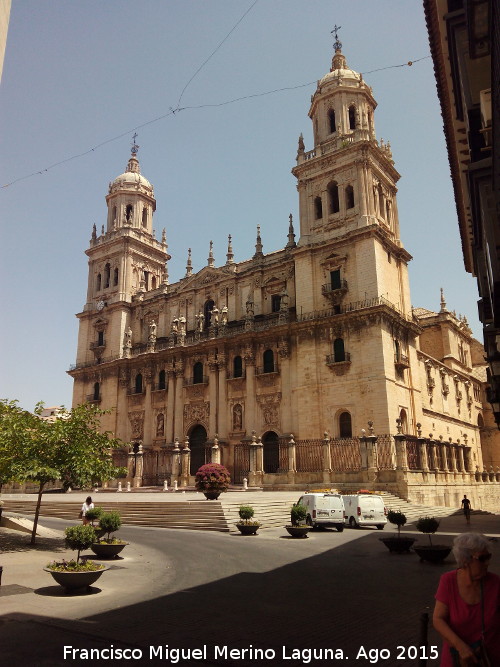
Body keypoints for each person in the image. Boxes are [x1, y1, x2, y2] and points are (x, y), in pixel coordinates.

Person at [433, 532, 500, 666]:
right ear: (466, 560)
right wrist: (461, 647)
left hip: (490, 660)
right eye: (483, 558)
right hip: (458, 660)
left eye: (489, 557)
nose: (487, 563)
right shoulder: (448, 581)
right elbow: (438, 619)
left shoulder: (496, 584)